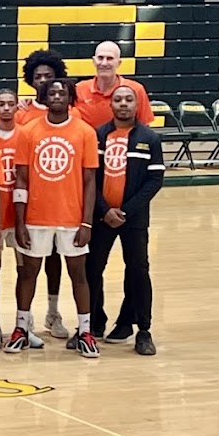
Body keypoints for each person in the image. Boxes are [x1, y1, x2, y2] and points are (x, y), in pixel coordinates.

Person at [9, 78, 100, 357]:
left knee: (78, 274)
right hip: (36, 217)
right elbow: (21, 179)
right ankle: (21, 328)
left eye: (62, 92)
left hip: (72, 218)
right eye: (52, 92)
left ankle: (85, 331)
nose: (57, 96)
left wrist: (86, 222)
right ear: (44, 98)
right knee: (28, 273)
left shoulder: (85, 132)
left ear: (71, 98)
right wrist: (20, 221)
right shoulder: (28, 131)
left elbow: (90, 181)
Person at [87, 85, 164, 355]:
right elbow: (90, 179)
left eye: (128, 100)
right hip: (102, 217)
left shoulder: (149, 138)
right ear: (111, 104)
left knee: (138, 270)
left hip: (134, 218)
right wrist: (105, 209)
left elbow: (155, 180)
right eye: (118, 99)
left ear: (136, 104)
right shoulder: (99, 136)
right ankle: (93, 324)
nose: (123, 104)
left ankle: (139, 328)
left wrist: (126, 211)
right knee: (92, 269)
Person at [0, 88, 35, 350]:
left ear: (18, 107)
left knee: (25, 271)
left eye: (10, 104)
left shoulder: (26, 134)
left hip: (19, 217)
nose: (6, 108)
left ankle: (24, 325)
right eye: (1, 104)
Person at [75, 41, 154, 129]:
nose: (104, 63)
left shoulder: (136, 89)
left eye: (110, 58)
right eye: (100, 58)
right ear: (94, 61)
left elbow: (145, 128)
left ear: (119, 63)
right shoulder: (78, 89)